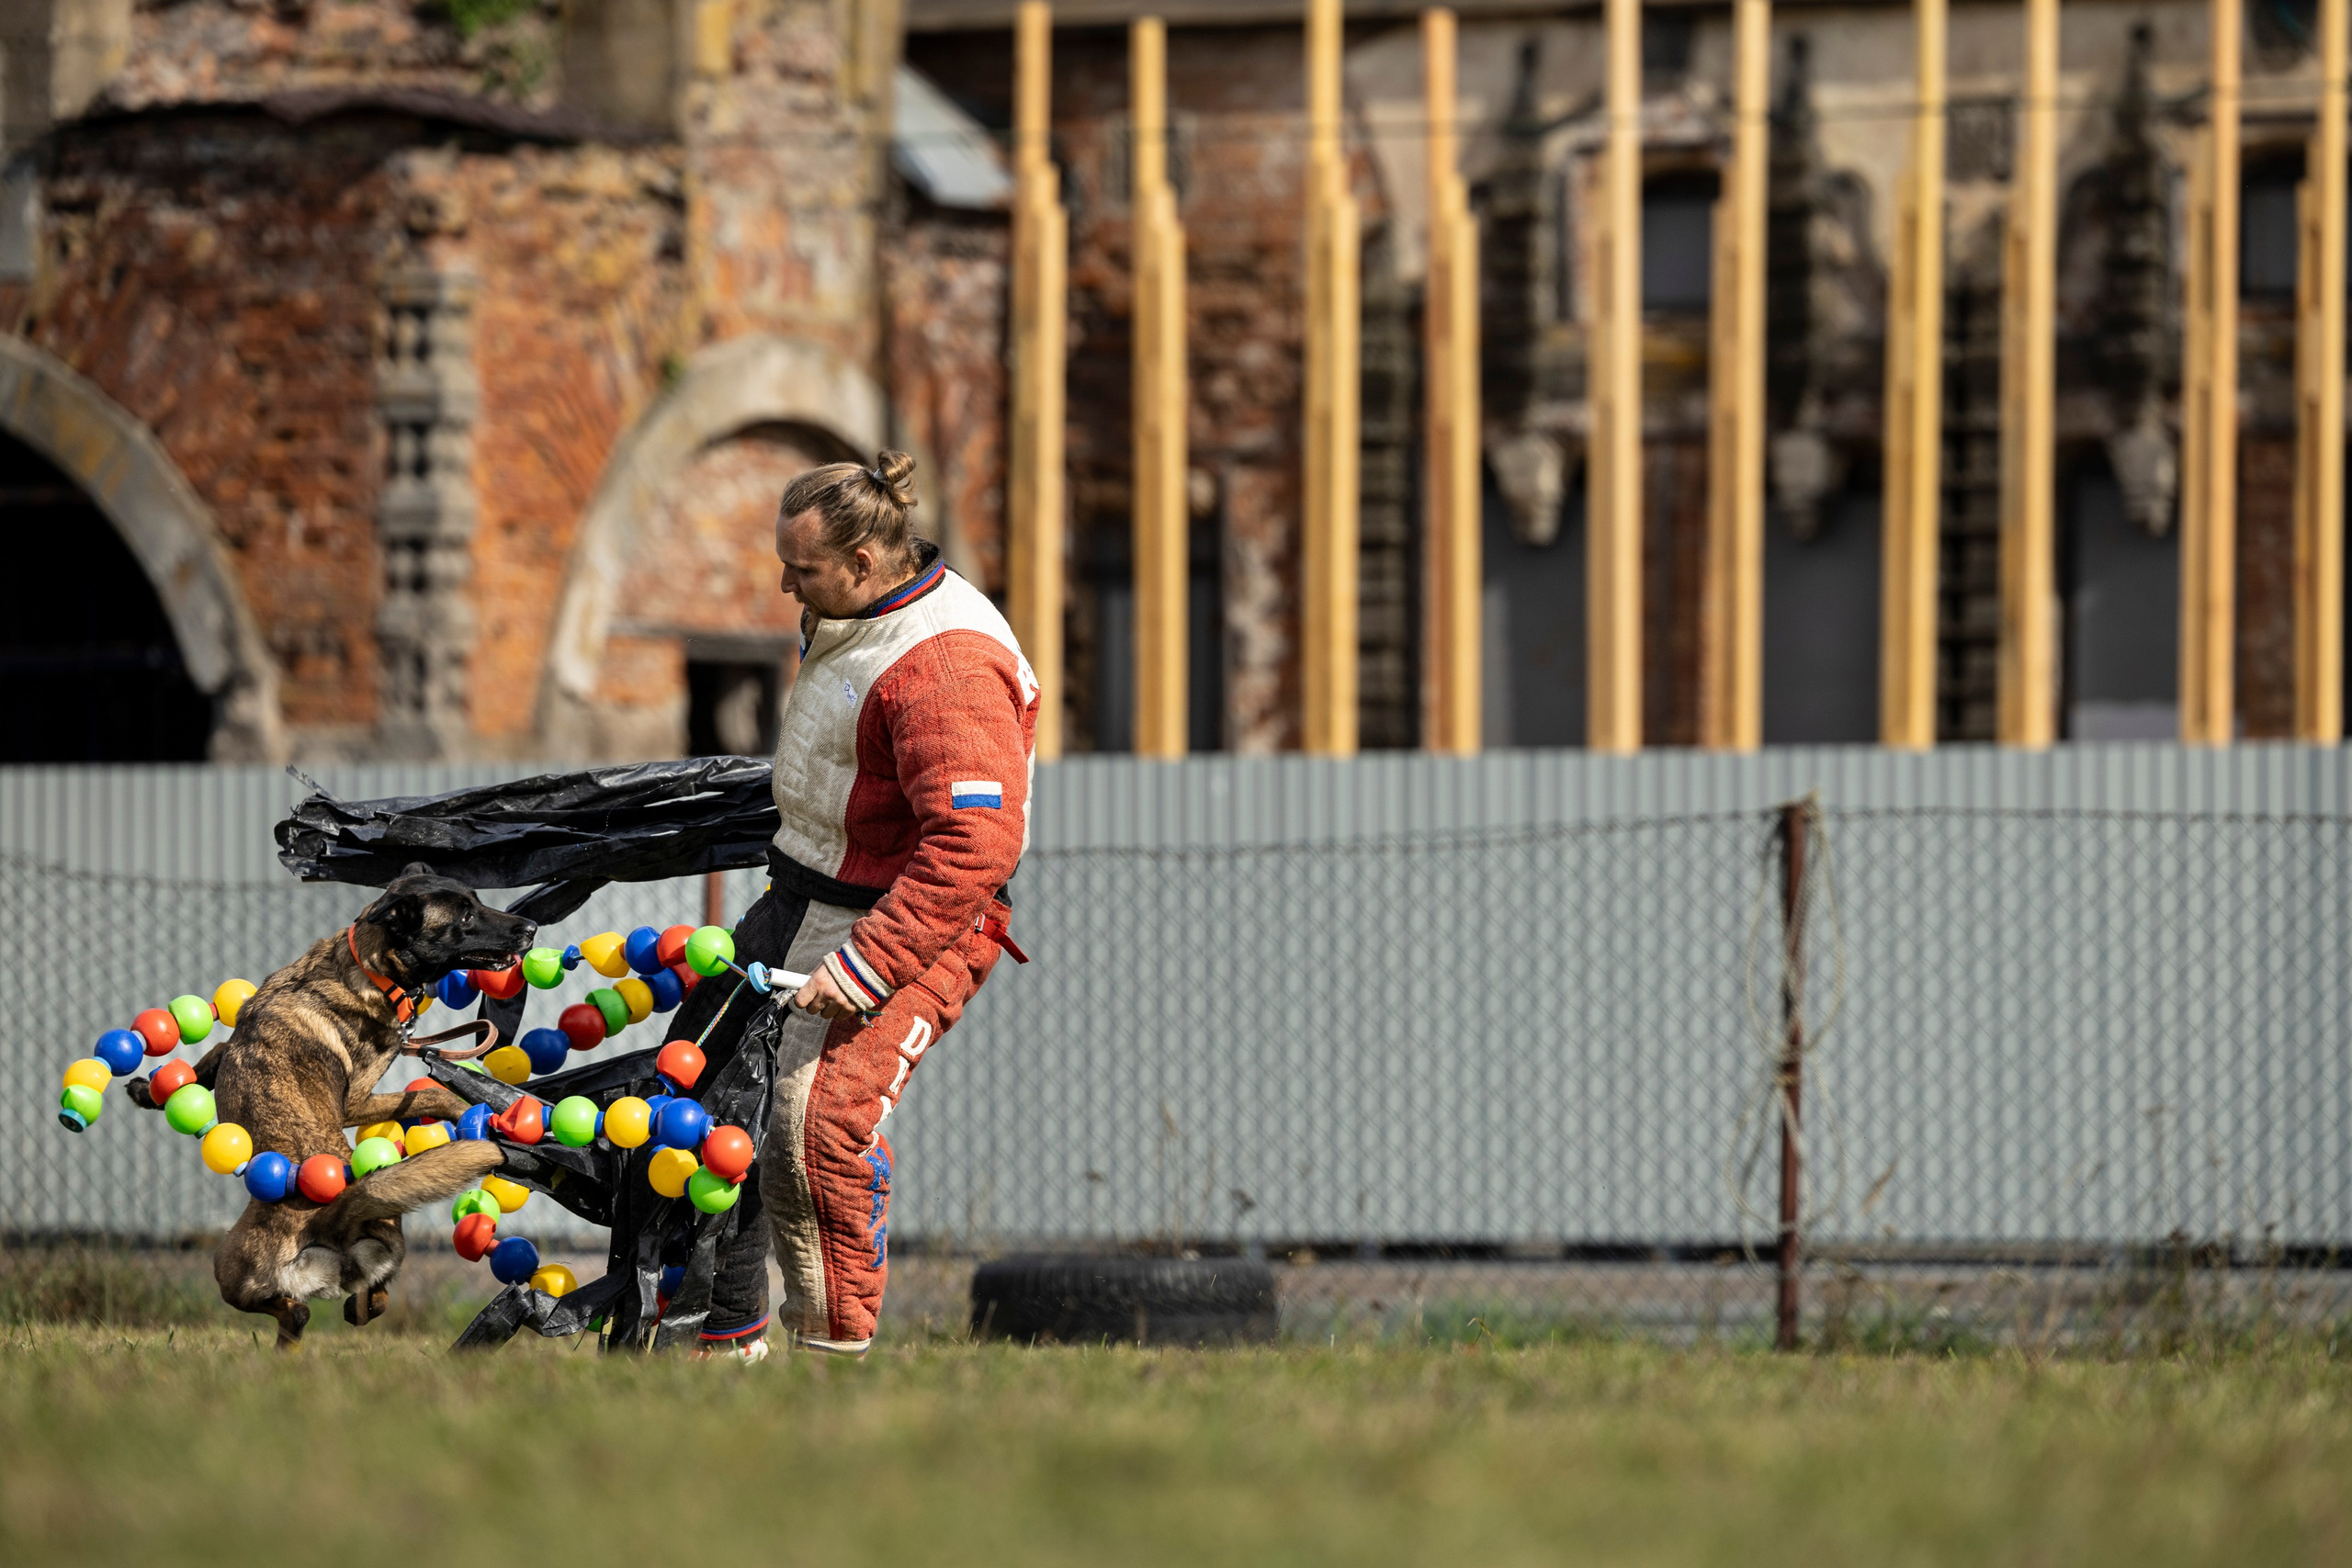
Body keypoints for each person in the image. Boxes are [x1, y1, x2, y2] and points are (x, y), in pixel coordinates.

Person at [670, 449, 1037, 1359]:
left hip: (914, 918)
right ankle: (724, 1344)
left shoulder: (946, 666)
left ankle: (833, 1366)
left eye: (802, 568)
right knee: (703, 1103)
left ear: (865, 565)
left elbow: (974, 845)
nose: (785, 584)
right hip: (801, 895)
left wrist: (866, 964)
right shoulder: (847, 612)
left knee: (816, 1122)